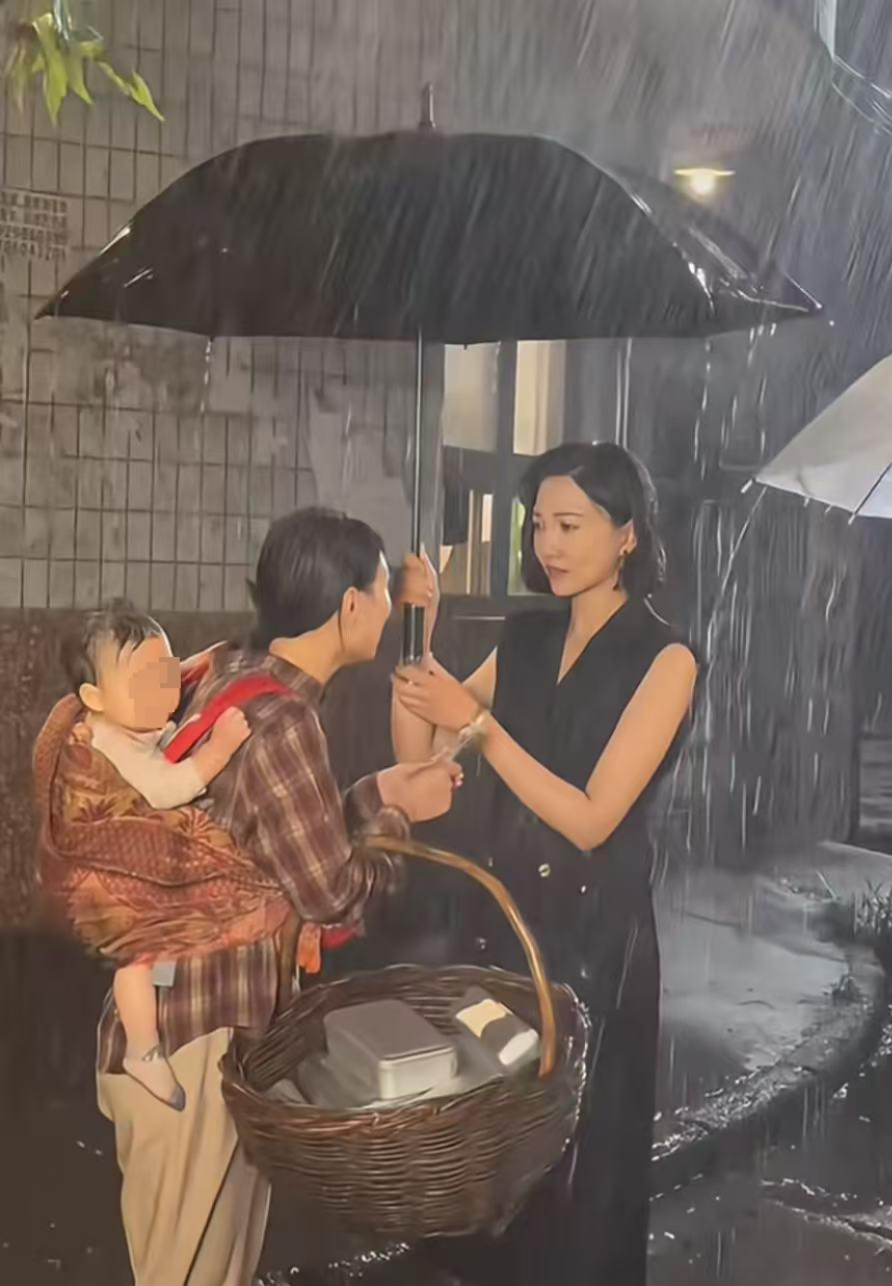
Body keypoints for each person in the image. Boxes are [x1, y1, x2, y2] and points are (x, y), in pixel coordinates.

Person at [59, 508, 460, 1286]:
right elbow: (333, 892)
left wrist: (377, 790)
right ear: (350, 606)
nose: (388, 607)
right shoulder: (284, 721)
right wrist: (399, 820)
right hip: (194, 1039)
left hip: (189, 1023)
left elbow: (282, 840)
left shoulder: (234, 674)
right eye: (383, 591)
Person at [393, 443, 697, 1286]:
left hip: (598, 950)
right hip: (504, 934)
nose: (548, 545)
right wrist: (417, 634)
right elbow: (420, 759)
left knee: (585, 1186)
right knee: (494, 1169)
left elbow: (593, 818)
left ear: (627, 534)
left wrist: (481, 727)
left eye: (571, 525)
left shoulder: (666, 659)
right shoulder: (525, 637)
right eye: (539, 527)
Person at [59, 605, 252, 1111]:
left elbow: (166, 695)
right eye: (144, 682)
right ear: (95, 699)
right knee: (137, 961)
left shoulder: (127, 720)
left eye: (166, 673)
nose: (163, 690)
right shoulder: (106, 743)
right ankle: (142, 1051)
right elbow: (166, 787)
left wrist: (200, 665)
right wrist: (219, 750)